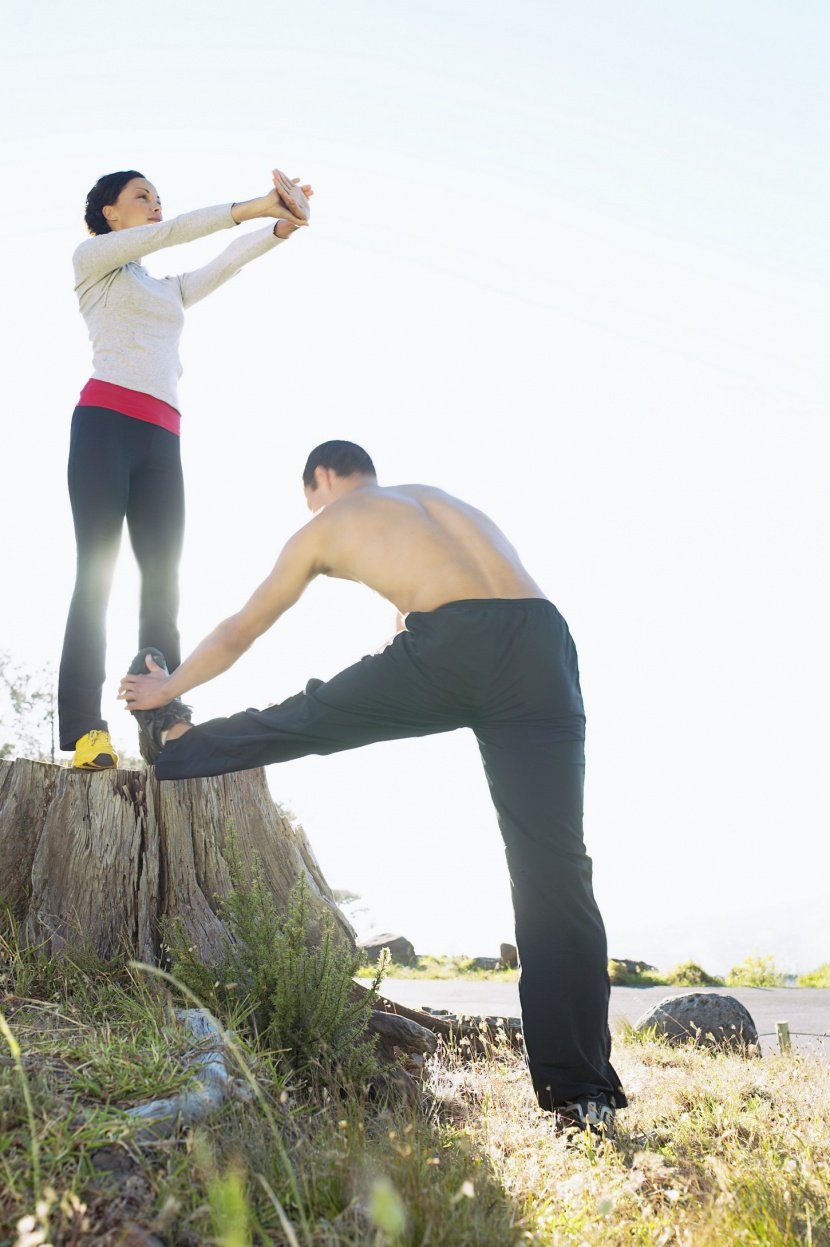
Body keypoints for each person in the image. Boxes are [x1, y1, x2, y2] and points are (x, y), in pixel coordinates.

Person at [118, 439, 627, 1134]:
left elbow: (241, 630)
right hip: (544, 641)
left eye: (312, 496)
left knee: (313, 714)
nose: (315, 508)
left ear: (322, 478)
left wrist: (168, 684)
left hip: (458, 645)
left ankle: (178, 743)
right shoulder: (437, 501)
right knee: (556, 869)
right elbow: (455, 600)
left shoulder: (329, 521)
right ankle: (583, 1092)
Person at [60, 166, 311, 769]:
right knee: (95, 578)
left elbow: (222, 265)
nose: (153, 205)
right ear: (110, 214)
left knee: (162, 584)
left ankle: (163, 721)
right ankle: (86, 730)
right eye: (140, 197)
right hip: (103, 427)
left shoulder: (164, 288)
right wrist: (255, 205)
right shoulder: (93, 259)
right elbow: (172, 235)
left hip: (161, 439)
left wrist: (280, 227)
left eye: (157, 197)